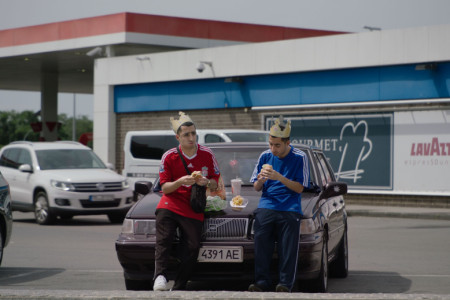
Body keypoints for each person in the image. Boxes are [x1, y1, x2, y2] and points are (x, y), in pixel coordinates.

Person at [153, 111, 220, 291]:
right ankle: (160, 276)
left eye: (193, 133)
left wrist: (206, 182)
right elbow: (164, 187)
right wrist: (181, 181)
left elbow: (215, 183)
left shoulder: (207, 154)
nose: (191, 138)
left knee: (192, 246)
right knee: (164, 238)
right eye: (186, 135)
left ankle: (180, 285)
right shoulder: (169, 156)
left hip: (193, 205)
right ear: (178, 137)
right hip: (171, 201)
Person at [248, 116, 310, 293]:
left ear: (287, 142)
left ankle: (284, 284)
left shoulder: (300, 157)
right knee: (261, 247)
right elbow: (256, 187)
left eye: (277, 145)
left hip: (289, 208)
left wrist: (279, 178)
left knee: (288, 249)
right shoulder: (265, 156)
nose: (273, 149)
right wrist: (261, 179)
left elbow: (299, 188)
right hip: (267, 205)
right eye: (270, 144)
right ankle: (261, 282)